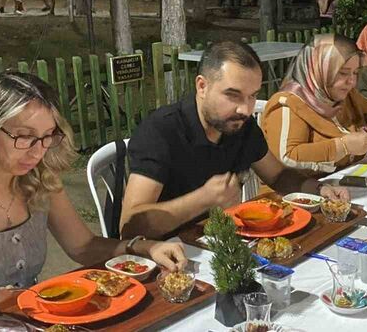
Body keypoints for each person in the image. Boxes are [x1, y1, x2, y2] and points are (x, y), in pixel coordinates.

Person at [0, 72, 187, 331]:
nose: (36, 151)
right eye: (24, 137)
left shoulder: (38, 176)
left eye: (47, 136)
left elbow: (83, 247)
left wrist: (143, 247)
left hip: (28, 320)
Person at [120, 41, 349, 240]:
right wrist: (202, 199)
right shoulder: (161, 131)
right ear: (202, 86)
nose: (245, 109)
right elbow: (131, 227)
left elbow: (279, 176)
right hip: (163, 256)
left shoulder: (242, 126)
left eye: (252, 96)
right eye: (233, 95)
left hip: (221, 242)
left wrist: (318, 189)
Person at [261, 34, 367, 174]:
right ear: (318, 69)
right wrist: (343, 147)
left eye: (355, 73)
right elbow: (286, 157)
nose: (351, 81)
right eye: (343, 73)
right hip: (300, 192)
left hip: (346, 182)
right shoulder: (289, 104)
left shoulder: (346, 96)